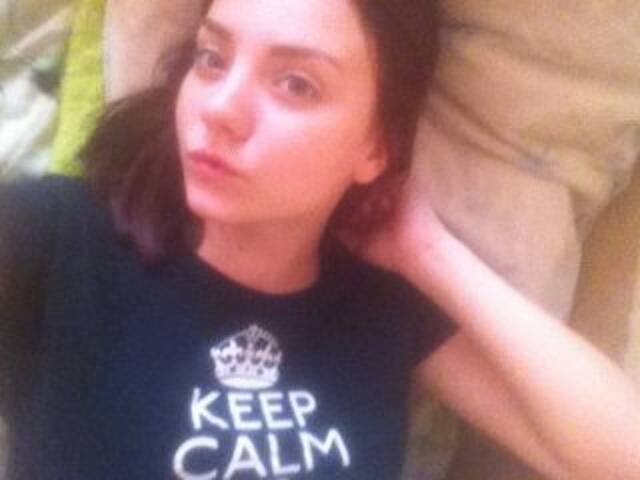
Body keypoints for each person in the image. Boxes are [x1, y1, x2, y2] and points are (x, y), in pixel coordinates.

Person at [1, 0, 639, 479]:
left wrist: (427, 251)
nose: (220, 107)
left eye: (295, 83)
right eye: (212, 58)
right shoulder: (51, 238)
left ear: (375, 147)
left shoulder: (380, 307)